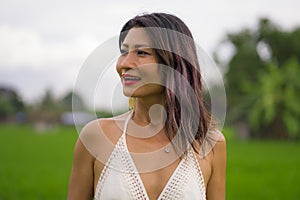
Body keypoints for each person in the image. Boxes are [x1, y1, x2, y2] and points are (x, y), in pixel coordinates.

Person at [67, 12, 226, 200]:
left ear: (173, 62)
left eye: (141, 52)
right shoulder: (95, 137)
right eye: (124, 52)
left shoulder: (211, 144)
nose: (124, 64)